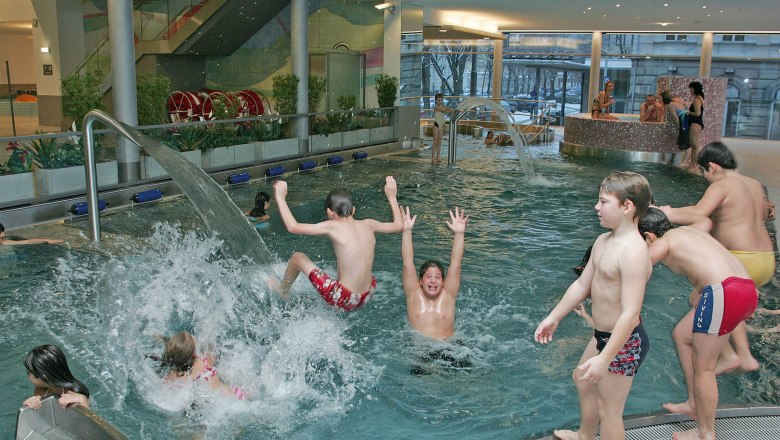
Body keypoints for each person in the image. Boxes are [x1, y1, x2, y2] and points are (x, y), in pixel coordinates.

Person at [535, 171, 653, 440]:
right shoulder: (603, 242)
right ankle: (586, 435)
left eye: (603, 202)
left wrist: (605, 358)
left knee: (609, 410)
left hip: (624, 341)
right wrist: (555, 317)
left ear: (627, 206)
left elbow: (630, 313)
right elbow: (581, 286)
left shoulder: (633, 252)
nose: (596, 207)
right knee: (581, 379)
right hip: (603, 335)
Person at [638, 207, 757, 440]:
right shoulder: (692, 231)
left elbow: (637, 268)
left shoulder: (663, 243)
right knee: (682, 336)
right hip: (746, 289)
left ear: (649, 237)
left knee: (704, 368)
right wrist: (667, 213)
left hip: (723, 293)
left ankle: (705, 433)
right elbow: (704, 219)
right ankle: (693, 404)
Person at [659, 141, 774, 374]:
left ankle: (736, 355)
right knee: (726, 302)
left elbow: (699, 212)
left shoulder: (721, 185)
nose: (706, 178)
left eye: (704, 173)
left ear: (712, 167)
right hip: (767, 259)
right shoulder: (753, 184)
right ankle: (741, 354)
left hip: (743, 259)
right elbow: (765, 213)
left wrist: (667, 212)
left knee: (700, 299)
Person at [270, 176, 403, 311]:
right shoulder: (369, 224)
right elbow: (399, 225)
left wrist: (281, 198)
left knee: (297, 258)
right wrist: (392, 196)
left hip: (343, 298)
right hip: (368, 294)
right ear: (353, 210)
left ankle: (282, 290)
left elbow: (293, 227)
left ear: (330, 212)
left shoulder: (333, 226)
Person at [401, 206, 467, 339]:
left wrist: (459, 234)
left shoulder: (448, 295)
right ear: (420, 281)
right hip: (421, 353)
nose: (432, 281)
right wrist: (407, 231)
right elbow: (408, 263)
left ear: (443, 282)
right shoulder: (414, 295)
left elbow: (455, 265)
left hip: (450, 349)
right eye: (428, 277)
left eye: (437, 277)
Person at [151, 331, 246, 400]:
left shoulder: (170, 376)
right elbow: (214, 352)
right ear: (194, 354)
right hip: (231, 398)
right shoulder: (205, 361)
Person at [23, 344, 90, 410]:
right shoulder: (41, 390)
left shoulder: (74, 393)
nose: (27, 376)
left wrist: (82, 399)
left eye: (28, 373)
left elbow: (89, 419)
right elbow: (36, 409)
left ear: (43, 376)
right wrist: (30, 403)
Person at [682, 81, 705, 171]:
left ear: (695, 89)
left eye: (691, 89)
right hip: (697, 123)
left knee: (694, 145)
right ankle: (692, 164)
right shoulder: (700, 98)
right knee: (694, 145)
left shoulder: (697, 99)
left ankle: (694, 165)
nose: (690, 91)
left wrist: (688, 112)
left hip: (695, 123)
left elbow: (697, 113)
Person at [432, 93, 457, 164]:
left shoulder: (442, 105)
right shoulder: (436, 107)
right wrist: (453, 111)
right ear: (436, 100)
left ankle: (438, 157)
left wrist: (454, 110)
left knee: (439, 142)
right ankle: (433, 158)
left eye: (441, 100)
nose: (440, 102)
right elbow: (444, 110)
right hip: (436, 125)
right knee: (435, 141)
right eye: (438, 100)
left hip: (442, 125)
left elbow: (446, 108)